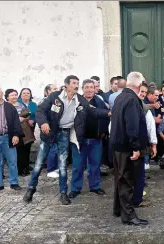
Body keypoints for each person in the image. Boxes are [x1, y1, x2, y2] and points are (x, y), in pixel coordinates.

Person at [23, 75, 110, 205]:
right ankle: (30, 189)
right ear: (67, 85)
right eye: (74, 83)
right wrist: (43, 123)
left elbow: (94, 112)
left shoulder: (80, 100)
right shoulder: (55, 97)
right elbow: (40, 110)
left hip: (64, 133)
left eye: (77, 83)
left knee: (63, 165)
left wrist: (109, 113)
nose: (76, 85)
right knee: (39, 164)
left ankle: (63, 193)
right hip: (50, 133)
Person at [110, 71, 149, 226]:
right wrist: (135, 147)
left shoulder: (120, 96)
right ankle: (129, 215)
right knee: (127, 181)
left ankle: (118, 209)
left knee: (120, 179)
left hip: (118, 146)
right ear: (138, 85)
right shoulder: (132, 100)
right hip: (127, 148)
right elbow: (131, 126)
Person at [68, 79, 110, 199]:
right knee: (77, 165)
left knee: (95, 164)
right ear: (83, 89)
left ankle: (95, 186)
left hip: (95, 139)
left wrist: (103, 132)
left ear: (95, 88)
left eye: (91, 87)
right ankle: (75, 188)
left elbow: (106, 116)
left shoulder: (99, 101)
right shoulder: (76, 101)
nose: (89, 89)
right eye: (87, 87)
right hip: (79, 140)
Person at [132, 82, 157, 208]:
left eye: (144, 92)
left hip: (139, 144)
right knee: (136, 174)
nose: (142, 94)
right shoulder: (134, 105)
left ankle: (136, 197)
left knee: (138, 173)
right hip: (134, 145)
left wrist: (153, 143)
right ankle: (135, 199)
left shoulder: (144, 107)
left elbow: (150, 126)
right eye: (141, 91)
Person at [5, 89, 33, 177]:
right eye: (12, 95)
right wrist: (17, 119)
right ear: (7, 97)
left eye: (15, 95)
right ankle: (19, 170)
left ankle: (25, 168)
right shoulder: (6, 106)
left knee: (24, 150)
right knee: (16, 151)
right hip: (12, 131)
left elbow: (27, 115)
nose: (14, 97)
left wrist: (24, 118)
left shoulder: (21, 105)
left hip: (23, 131)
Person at [39, 84, 59, 178]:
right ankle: (50, 170)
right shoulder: (44, 102)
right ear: (47, 92)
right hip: (48, 128)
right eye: (54, 89)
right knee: (52, 149)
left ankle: (56, 168)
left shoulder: (56, 101)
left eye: (56, 89)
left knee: (56, 149)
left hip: (57, 129)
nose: (56, 90)